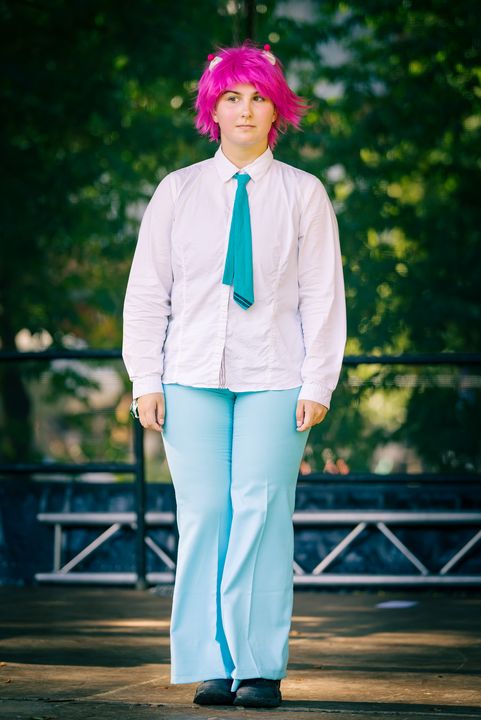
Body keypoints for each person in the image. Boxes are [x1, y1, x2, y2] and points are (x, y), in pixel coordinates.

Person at [122, 40, 347, 709]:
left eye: (258, 97)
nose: (245, 109)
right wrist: (145, 377)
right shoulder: (178, 191)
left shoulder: (304, 194)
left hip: (276, 376)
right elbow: (147, 292)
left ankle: (259, 667)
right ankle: (211, 663)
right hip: (188, 374)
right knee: (205, 516)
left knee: (262, 513)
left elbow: (322, 295)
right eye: (231, 97)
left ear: (276, 110)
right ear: (212, 109)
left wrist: (318, 382)